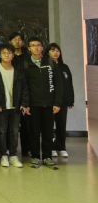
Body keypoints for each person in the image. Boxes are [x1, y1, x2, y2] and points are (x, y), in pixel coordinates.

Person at [24, 37, 62, 170]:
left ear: (42, 48)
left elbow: (58, 84)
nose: (36, 48)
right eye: (33, 45)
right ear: (29, 48)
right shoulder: (26, 64)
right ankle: (35, 157)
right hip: (33, 104)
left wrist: (57, 102)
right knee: (34, 132)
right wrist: (26, 103)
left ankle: (47, 157)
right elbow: (24, 86)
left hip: (49, 104)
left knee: (48, 132)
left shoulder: (51, 63)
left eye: (38, 45)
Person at [0, 44, 29, 168]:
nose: (7, 55)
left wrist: (24, 103)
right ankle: (4, 154)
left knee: (14, 132)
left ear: (13, 55)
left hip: (16, 106)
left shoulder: (18, 68)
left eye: (9, 53)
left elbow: (24, 87)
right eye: (4, 53)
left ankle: (13, 155)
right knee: (2, 131)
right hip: (1, 106)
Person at [46, 43, 74, 158]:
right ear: (48, 52)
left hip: (63, 101)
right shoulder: (46, 66)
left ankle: (61, 147)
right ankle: (51, 148)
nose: (56, 53)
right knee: (49, 126)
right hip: (50, 101)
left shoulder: (64, 67)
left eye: (58, 51)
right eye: (53, 50)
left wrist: (71, 99)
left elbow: (69, 84)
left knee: (61, 125)